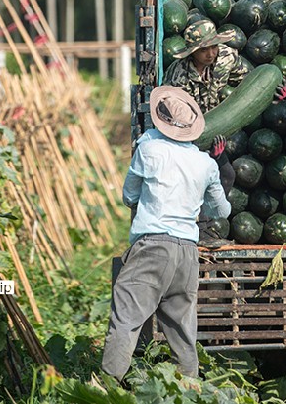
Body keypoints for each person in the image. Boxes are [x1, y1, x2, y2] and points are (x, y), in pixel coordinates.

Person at [100, 86, 231, 383]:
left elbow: (128, 196)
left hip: (152, 247)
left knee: (126, 320)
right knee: (182, 331)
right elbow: (222, 210)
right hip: (187, 254)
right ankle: (189, 391)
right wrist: (219, 166)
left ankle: (105, 391)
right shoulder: (206, 164)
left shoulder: (148, 149)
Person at [164, 18, 286, 247]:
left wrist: (274, 93)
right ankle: (195, 230)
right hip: (184, 137)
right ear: (193, 53)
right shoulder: (178, 75)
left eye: (213, 46)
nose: (211, 53)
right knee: (196, 178)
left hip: (214, 131)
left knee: (226, 175)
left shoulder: (226, 57)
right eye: (204, 50)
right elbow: (171, 115)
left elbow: (252, 82)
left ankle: (205, 226)